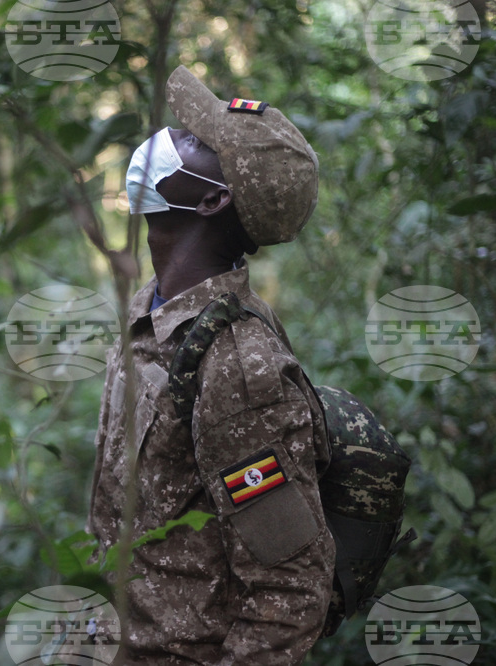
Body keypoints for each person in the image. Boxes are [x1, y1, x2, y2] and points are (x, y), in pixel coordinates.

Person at [87, 66, 335, 664]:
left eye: (195, 140)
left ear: (212, 199)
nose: (172, 135)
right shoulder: (152, 312)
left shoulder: (237, 364)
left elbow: (289, 591)